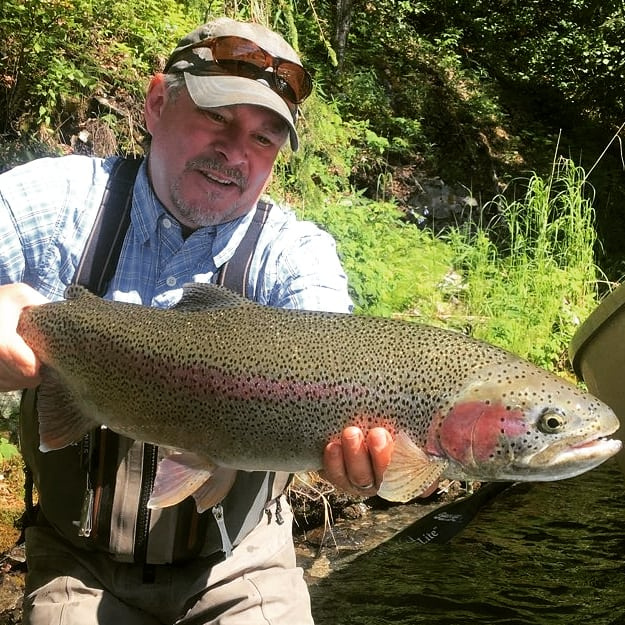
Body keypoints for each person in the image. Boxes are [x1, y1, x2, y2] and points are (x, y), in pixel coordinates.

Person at [0, 17, 395, 624]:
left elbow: (332, 346)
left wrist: (357, 441)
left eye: (264, 139)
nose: (236, 153)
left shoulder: (294, 254)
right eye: (218, 117)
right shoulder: (56, 202)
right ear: (158, 103)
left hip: (241, 562)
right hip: (78, 564)